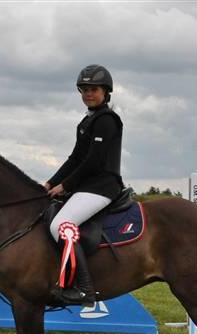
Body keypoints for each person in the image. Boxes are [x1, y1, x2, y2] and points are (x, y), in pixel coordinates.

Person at [44, 64, 124, 306]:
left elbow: (93, 161)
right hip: (86, 187)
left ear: (105, 92)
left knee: (61, 225)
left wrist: (64, 185)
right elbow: (75, 159)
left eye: (93, 89)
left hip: (102, 186)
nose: (88, 94)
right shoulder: (86, 122)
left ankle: (84, 290)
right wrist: (50, 182)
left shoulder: (107, 120)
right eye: (84, 90)